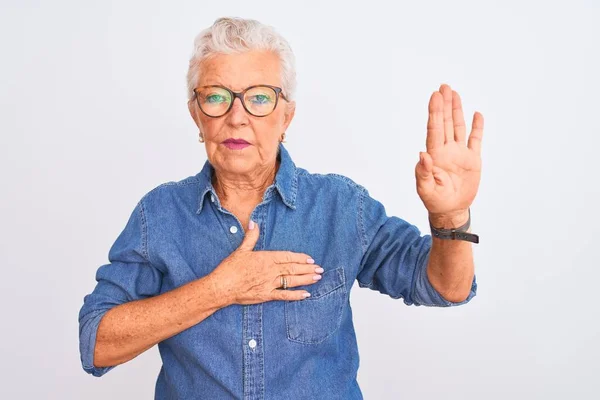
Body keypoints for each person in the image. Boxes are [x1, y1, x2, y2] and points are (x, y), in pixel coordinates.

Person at [78, 16, 484, 399]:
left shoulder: (342, 206)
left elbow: (446, 288)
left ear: (286, 115)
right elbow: (96, 343)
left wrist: (449, 218)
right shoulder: (160, 214)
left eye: (258, 98)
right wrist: (220, 289)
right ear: (195, 115)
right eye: (216, 97)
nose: (237, 118)